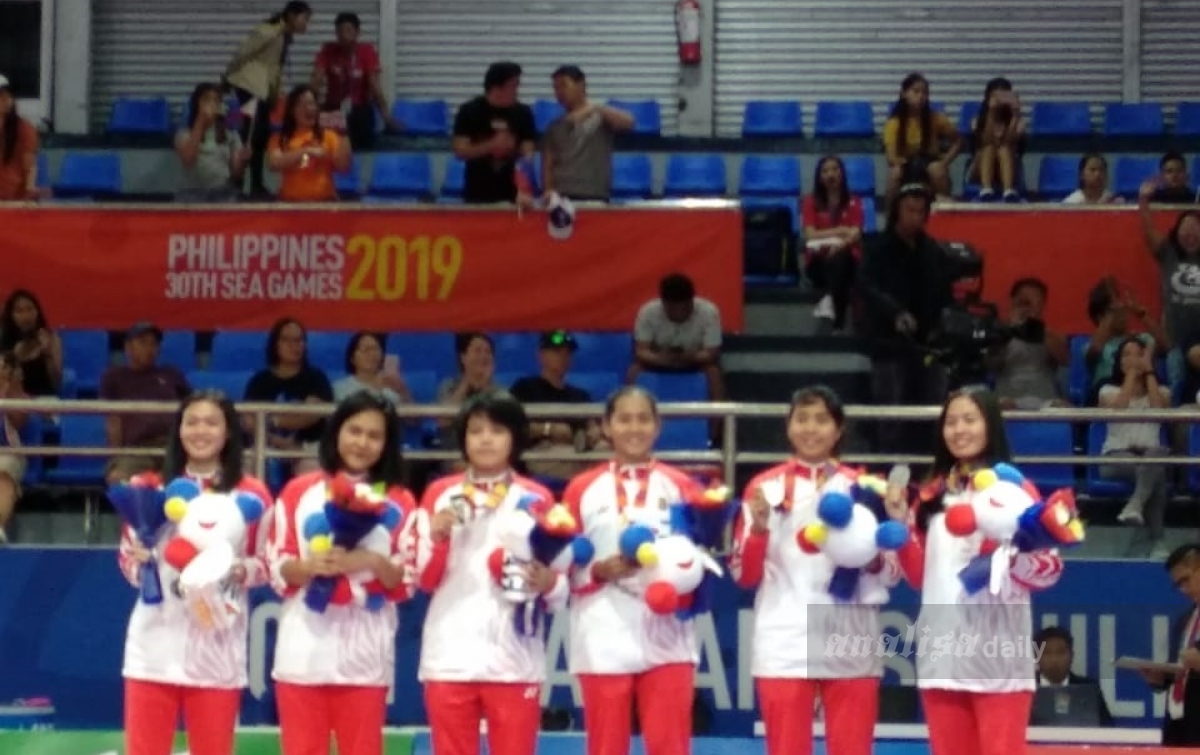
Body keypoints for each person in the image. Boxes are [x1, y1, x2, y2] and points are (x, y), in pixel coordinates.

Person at [888, 387, 1064, 755]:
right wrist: (900, 526)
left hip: (998, 659)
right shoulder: (930, 495)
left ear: (990, 426)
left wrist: (1007, 562)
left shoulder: (1014, 490)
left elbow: (1051, 568)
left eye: (970, 419)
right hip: (942, 656)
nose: (959, 430)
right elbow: (920, 577)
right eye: (951, 422)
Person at [731, 385, 900, 755]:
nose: (811, 428)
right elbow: (743, 575)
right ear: (788, 427)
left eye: (822, 419)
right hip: (784, 636)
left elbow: (891, 573)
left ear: (838, 430)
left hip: (850, 632)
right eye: (802, 418)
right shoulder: (762, 487)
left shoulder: (866, 488)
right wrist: (758, 529)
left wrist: (868, 558)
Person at [411, 389, 566, 755]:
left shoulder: (538, 498)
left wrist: (548, 584)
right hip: (449, 656)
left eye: (496, 430)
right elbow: (424, 580)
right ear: (462, 438)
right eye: (475, 430)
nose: (485, 439)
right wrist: (436, 536)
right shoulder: (438, 494)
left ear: (515, 438)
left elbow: (561, 583)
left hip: (514, 659)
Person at [117, 391, 272, 755]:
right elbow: (126, 561)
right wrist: (143, 564)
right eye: (192, 422)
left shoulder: (252, 494)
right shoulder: (149, 488)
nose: (200, 431)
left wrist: (235, 569)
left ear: (228, 432)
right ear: (179, 429)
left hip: (217, 645)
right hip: (154, 642)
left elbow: (267, 564)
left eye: (211, 422)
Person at [266, 391, 414, 755]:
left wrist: (368, 561)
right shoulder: (299, 491)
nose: (362, 443)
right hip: (303, 651)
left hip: (365, 656)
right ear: (336, 433)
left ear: (387, 444)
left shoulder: (399, 500)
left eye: (374, 435)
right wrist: (307, 568)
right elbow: (275, 566)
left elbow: (407, 580)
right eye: (354, 430)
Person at [563, 386, 706, 755]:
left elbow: (700, 556)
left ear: (657, 427)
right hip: (602, 629)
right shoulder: (581, 488)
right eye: (623, 419)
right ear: (607, 426)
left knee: (669, 745)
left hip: (667, 629)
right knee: (606, 746)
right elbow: (561, 562)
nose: (634, 428)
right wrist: (596, 573)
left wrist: (682, 579)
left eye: (643, 419)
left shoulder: (682, 486)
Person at [859, 184, 954, 453]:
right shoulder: (878, 246)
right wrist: (894, 312)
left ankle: (931, 469)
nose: (915, 216)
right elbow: (866, 286)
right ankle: (890, 470)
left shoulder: (931, 249)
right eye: (909, 210)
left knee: (934, 409)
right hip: (889, 344)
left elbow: (943, 289)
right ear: (896, 212)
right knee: (891, 413)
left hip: (928, 342)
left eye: (920, 211)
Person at [224, 1, 312, 196]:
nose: (306, 24)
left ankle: (255, 183)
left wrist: (273, 96)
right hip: (250, 87)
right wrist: (227, 77)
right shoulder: (269, 31)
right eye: (304, 18)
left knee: (260, 136)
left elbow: (274, 71)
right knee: (252, 136)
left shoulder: (283, 37)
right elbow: (243, 52)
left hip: (261, 91)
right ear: (291, 16)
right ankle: (240, 184)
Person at [541, 65, 634, 201]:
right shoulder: (554, 126)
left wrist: (595, 108)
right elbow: (547, 165)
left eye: (563, 85)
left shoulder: (601, 117)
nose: (559, 92)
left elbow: (629, 122)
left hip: (594, 195)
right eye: (556, 88)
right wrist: (548, 191)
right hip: (562, 197)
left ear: (581, 85)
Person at [310, 12, 400, 149]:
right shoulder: (328, 50)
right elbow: (316, 81)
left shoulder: (367, 51)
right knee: (329, 146)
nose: (343, 35)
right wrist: (310, 109)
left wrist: (386, 117)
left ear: (357, 32)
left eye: (348, 30)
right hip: (334, 108)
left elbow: (375, 87)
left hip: (360, 109)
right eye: (339, 31)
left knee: (362, 146)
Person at [629, 274, 725, 402]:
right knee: (634, 371)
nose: (678, 313)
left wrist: (691, 357)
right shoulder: (648, 312)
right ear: (663, 303)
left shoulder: (709, 312)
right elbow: (641, 351)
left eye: (684, 308)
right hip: (659, 360)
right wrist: (661, 359)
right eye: (672, 309)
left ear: (691, 300)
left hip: (695, 361)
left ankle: (717, 420)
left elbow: (711, 353)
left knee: (713, 373)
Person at [1140, 544, 1200, 746]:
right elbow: (1182, 669)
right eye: (1178, 585)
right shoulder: (1186, 620)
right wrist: (1161, 678)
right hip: (1181, 724)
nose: (1183, 590)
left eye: (1186, 580)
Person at [452, 61, 537, 204]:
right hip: (477, 190)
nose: (517, 91)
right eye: (513, 86)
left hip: (513, 192)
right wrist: (491, 145)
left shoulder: (523, 113)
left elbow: (528, 153)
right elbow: (460, 151)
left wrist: (524, 188)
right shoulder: (469, 111)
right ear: (497, 88)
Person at [882, 73, 961, 201]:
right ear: (904, 93)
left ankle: (944, 211)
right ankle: (891, 216)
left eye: (925, 92)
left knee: (937, 169)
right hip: (906, 163)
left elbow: (958, 140)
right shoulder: (893, 123)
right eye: (916, 91)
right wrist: (910, 165)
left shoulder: (935, 118)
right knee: (894, 173)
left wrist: (945, 162)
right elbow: (891, 158)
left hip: (930, 162)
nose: (921, 96)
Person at [267, 84, 351, 202]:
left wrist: (343, 134)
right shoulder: (280, 138)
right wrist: (306, 151)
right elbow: (274, 163)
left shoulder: (329, 136)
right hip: (290, 206)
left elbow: (344, 167)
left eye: (311, 104)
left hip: (324, 204)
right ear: (292, 110)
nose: (308, 109)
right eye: (302, 105)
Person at [175, 82, 250, 202]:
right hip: (191, 193)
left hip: (222, 192)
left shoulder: (230, 134)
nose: (211, 104)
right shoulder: (184, 133)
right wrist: (201, 121)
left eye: (216, 100)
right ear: (196, 104)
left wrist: (243, 160)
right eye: (206, 100)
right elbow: (188, 159)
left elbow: (236, 173)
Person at [1033, 626, 1114, 725]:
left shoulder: (1088, 689)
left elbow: (1107, 728)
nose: (1054, 659)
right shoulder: (1026, 689)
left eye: (1061, 652)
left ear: (1072, 656)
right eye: (1047, 653)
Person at [968, 77, 1025, 202]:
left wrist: (1015, 116)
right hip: (980, 167)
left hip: (1008, 167)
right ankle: (986, 189)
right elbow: (985, 140)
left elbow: (1010, 142)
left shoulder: (1018, 122)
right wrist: (991, 112)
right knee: (989, 148)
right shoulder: (977, 120)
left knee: (1004, 149)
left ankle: (1008, 191)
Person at [0, 288, 62, 397]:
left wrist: (47, 355)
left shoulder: (51, 338)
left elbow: (57, 382)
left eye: (30, 309)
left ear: (37, 311)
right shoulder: (4, 340)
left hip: (43, 400)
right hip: (12, 401)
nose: (26, 316)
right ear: (11, 315)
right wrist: (14, 358)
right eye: (19, 311)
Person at [0, 73, 42, 200]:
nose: (6, 100)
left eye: (8, 95)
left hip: (14, 200)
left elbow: (30, 167)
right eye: (1, 96)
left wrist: (29, 192)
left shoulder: (24, 128)